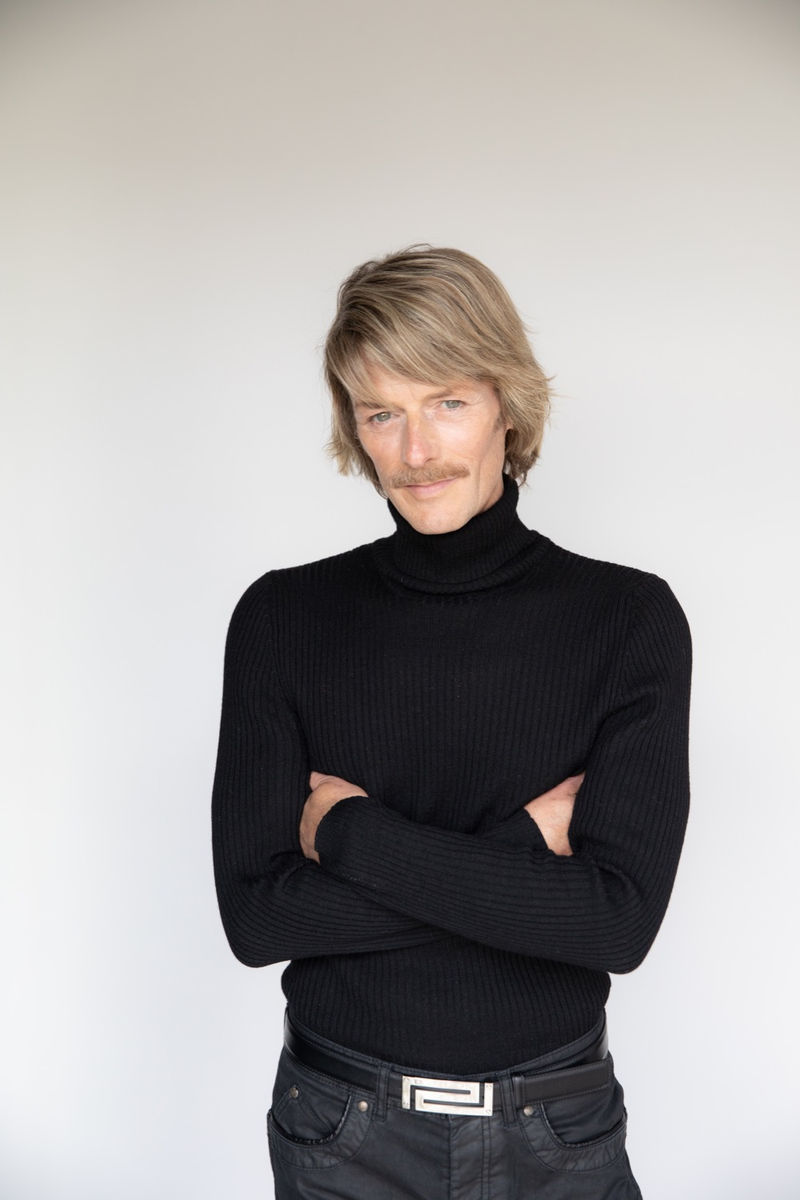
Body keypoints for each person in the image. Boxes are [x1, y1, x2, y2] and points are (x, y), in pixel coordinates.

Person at [211, 246, 691, 1199]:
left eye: (448, 402)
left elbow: (617, 923)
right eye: (381, 413)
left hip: (556, 1131)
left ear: (508, 404)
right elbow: (259, 918)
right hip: (341, 1130)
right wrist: (522, 852)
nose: (417, 450)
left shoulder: (627, 620)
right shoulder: (282, 618)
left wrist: (349, 835)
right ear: (354, 426)